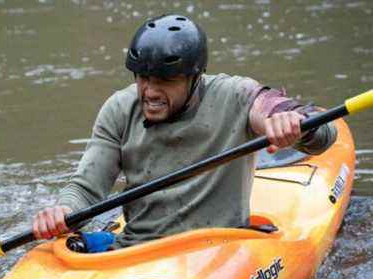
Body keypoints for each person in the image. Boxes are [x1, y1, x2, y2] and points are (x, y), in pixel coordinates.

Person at [32, 14, 337, 249]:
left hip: (220, 249)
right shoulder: (119, 109)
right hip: (137, 250)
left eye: (164, 80)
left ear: (195, 78)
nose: (150, 91)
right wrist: (62, 211)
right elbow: (85, 190)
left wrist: (290, 123)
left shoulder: (234, 95)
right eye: (143, 78)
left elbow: (315, 130)